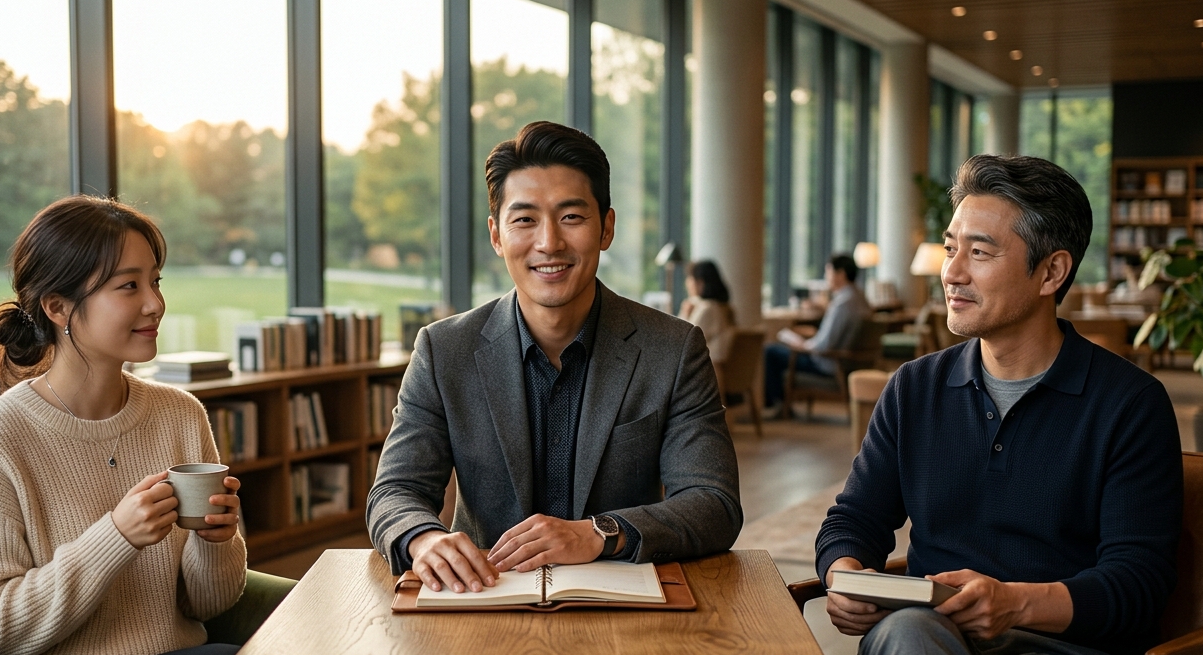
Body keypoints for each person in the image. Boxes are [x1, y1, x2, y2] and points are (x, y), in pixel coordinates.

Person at [816, 154, 1183, 655]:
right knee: (909, 631)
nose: (952, 272)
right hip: (924, 642)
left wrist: (1015, 604)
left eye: (979, 253)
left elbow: (1137, 583)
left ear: (1051, 272)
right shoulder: (914, 388)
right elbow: (852, 520)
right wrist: (845, 575)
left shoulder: (1130, 405)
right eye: (950, 246)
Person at [366, 120, 741, 592]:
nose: (549, 243)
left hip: (623, 607)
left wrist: (598, 532)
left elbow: (714, 503)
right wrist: (423, 539)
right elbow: (394, 492)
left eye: (571, 217)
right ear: (497, 235)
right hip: (485, 599)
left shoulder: (673, 348)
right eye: (524, 219)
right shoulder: (444, 351)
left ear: (606, 228)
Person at [0, 195, 248, 655]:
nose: (155, 304)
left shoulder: (180, 415)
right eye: (128, 286)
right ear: (58, 307)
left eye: (156, 281)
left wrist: (216, 542)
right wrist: (116, 537)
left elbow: (208, 605)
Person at [762, 253, 871, 412]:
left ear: (840, 274)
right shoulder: (859, 298)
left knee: (770, 351)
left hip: (828, 363)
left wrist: (801, 344)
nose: (826, 277)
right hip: (846, 361)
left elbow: (823, 346)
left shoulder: (842, 304)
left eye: (828, 272)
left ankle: (777, 405)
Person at [678, 259, 736, 366]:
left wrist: (685, 313)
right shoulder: (723, 307)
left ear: (700, 282)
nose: (687, 283)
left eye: (690, 278)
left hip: (706, 368)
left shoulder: (707, 308)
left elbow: (683, 339)